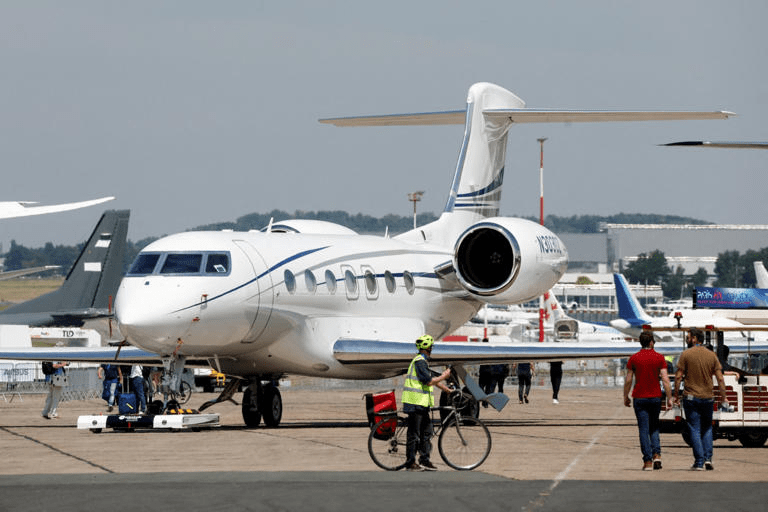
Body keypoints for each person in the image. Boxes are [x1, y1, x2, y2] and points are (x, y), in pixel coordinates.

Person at [673, 327, 729, 471]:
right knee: (707, 428)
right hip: (708, 398)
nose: (687, 339)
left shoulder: (685, 355)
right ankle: (708, 459)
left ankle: (699, 462)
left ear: (695, 339)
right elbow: (720, 379)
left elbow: (678, 377)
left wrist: (675, 395)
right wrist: (724, 397)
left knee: (694, 429)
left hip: (691, 398)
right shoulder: (712, 356)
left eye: (688, 336)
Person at [402, 334, 453, 472]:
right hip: (415, 402)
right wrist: (445, 376)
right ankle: (410, 463)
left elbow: (432, 379)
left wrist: (447, 389)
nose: (432, 349)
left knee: (427, 432)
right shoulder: (419, 362)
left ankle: (424, 460)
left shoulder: (423, 362)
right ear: (427, 348)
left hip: (422, 404)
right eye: (431, 346)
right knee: (414, 434)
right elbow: (429, 381)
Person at [623, 331, 671, 471]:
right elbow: (665, 379)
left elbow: (628, 379)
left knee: (643, 429)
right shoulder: (659, 357)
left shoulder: (634, 358)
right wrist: (669, 397)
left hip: (639, 397)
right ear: (651, 342)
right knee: (654, 426)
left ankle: (648, 461)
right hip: (655, 396)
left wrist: (626, 396)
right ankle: (657, 454)